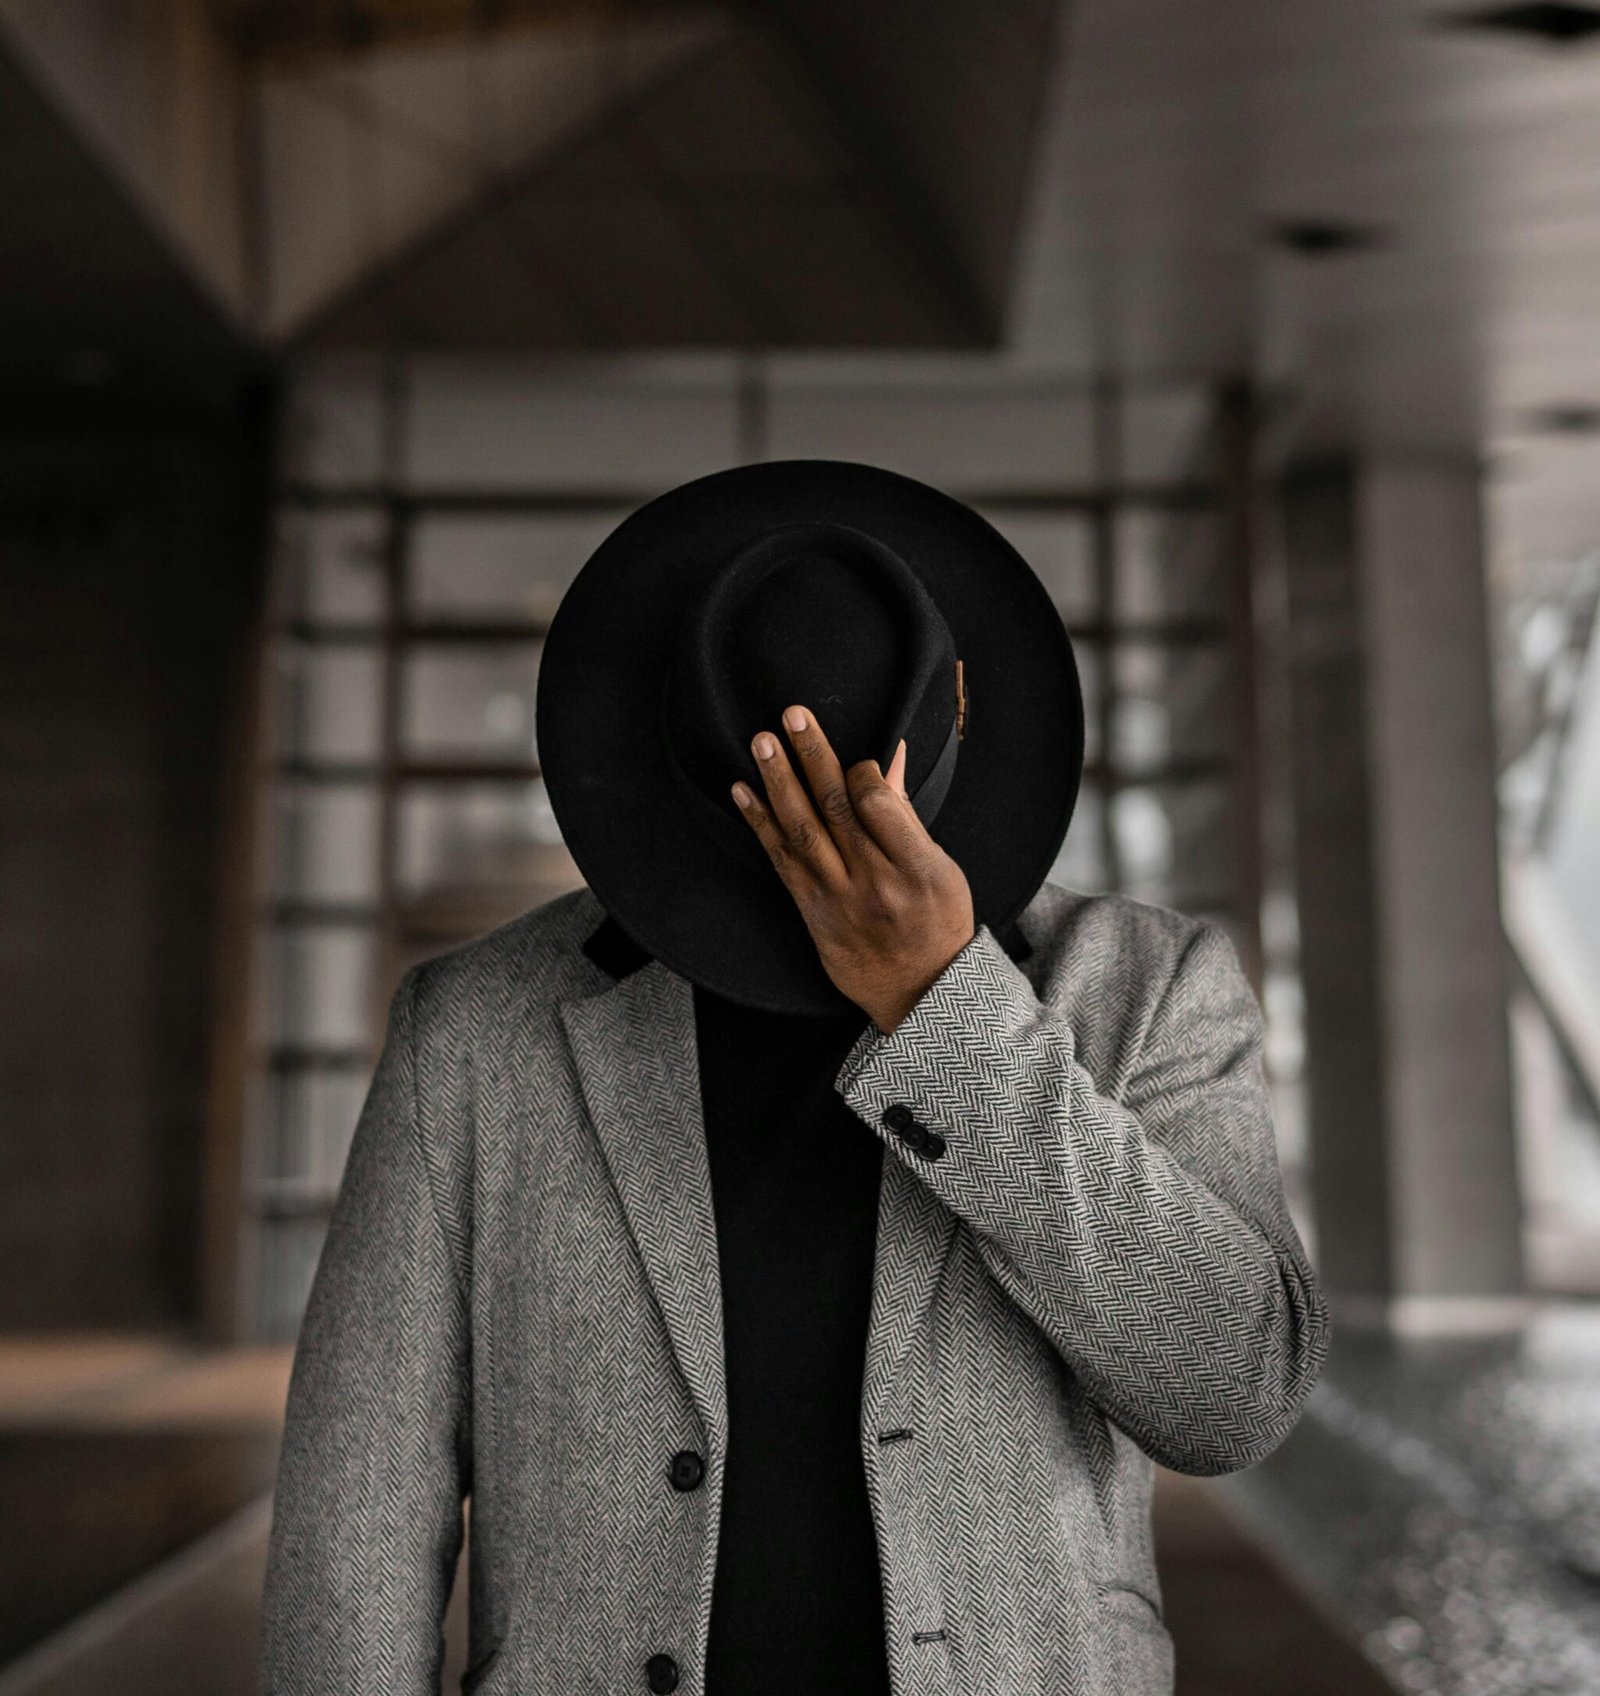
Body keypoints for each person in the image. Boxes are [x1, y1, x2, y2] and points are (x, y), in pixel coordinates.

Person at [258, 460, 1329, 1696]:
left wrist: (946, 1008)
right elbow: (358, 1515)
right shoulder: (480, 1033)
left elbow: (1235, 1393)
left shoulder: (1147, 988)